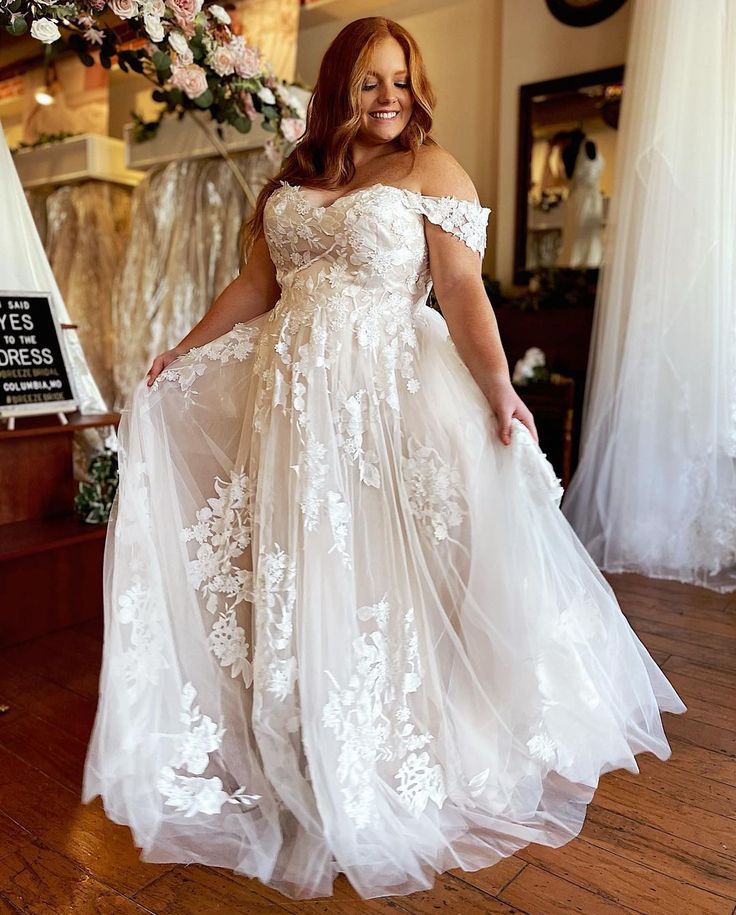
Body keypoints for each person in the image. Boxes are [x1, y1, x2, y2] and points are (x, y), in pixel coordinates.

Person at [82, 16, 686, 902]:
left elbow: (462, 291)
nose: (389, 96)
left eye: (400, 79)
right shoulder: (295, 176)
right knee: (300, 562)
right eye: (369, 81)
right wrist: (182, 348)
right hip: (291, 405)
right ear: (338, 90)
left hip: (382, 400)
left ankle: (378, 745)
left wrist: (497, 389)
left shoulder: (433, 171)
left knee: (377, 568)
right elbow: (257, 285)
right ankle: (298, 743)